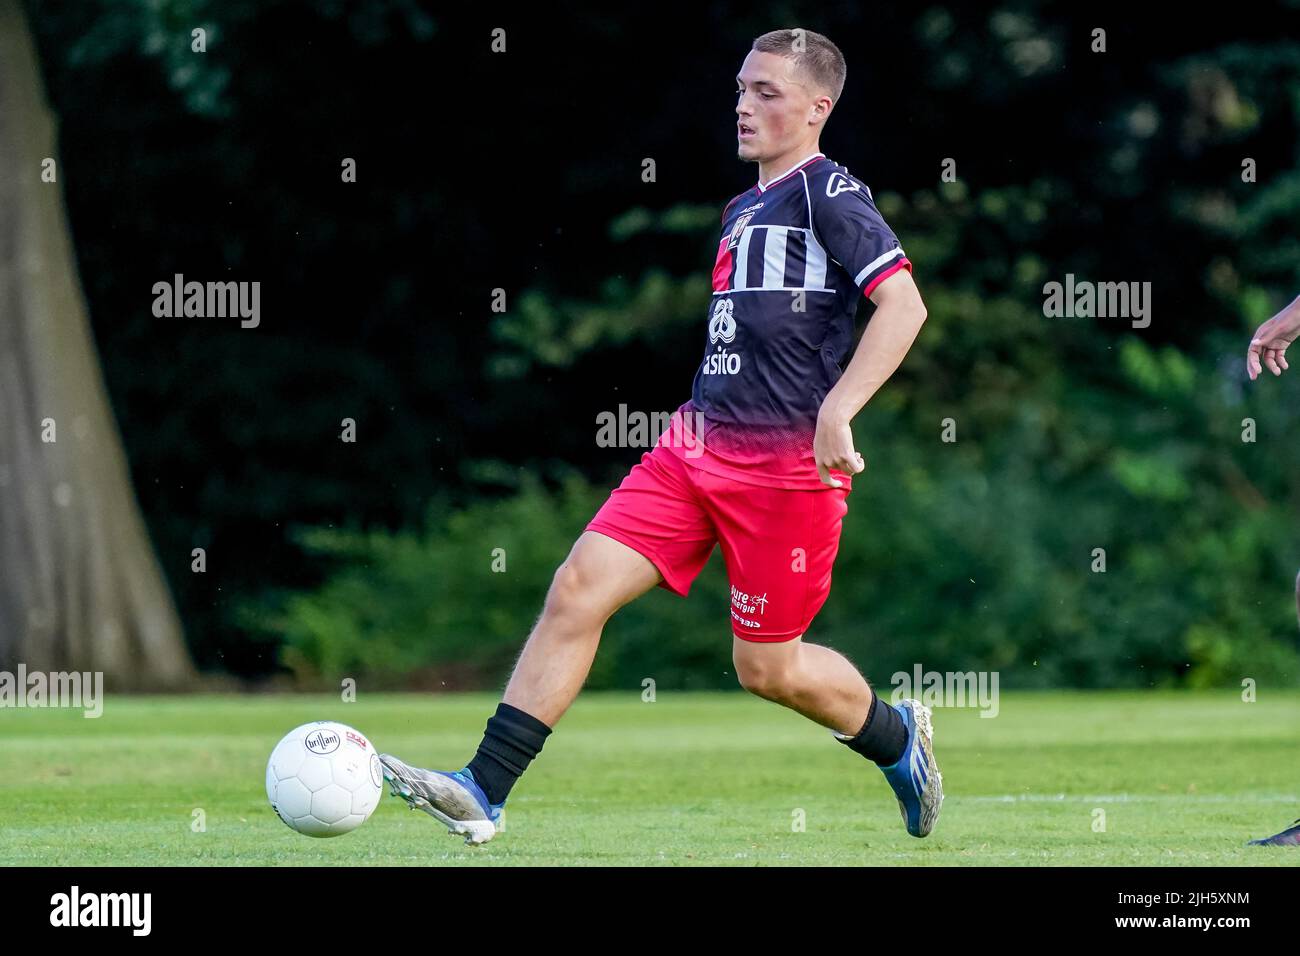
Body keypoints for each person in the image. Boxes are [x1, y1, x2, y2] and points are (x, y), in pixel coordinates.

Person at [379, 27, 940, 845]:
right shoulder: (743, 206)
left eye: (767, 93)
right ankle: (483, 789)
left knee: (768, 669)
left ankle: (897, 740)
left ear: (818, 109)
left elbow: (905, 306)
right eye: (742, 89)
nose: (744, 106)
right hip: (695, 445)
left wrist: (838, 409)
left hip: (785, 471)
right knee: (577, 587)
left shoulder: (830, 193)